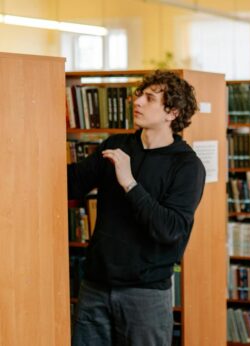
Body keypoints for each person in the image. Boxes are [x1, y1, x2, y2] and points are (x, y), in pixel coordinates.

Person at [70, 70, 206, 345]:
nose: (138, 102)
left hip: (145, 294)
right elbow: (70, 184)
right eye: (139, 95)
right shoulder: (116, 146)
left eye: (150, 98)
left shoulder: (187, 166)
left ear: (172, 112)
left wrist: (130, 183)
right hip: (95, 286)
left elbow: (170, 230)